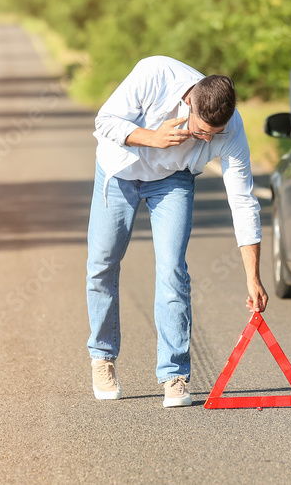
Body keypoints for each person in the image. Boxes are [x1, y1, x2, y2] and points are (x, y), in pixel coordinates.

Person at [86, 55, 268, 408]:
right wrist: (152, 138)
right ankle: (102, 358)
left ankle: (174, 375)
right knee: (102, 263)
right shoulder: (155, 73)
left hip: (172, 180)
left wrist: (253, 277)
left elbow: (243, 202)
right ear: (188, 101)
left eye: (213, 136)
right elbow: (104, 121)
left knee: (172, 267)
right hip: (120, 171)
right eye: (200, 131)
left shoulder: (231, 129)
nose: (204, 140)